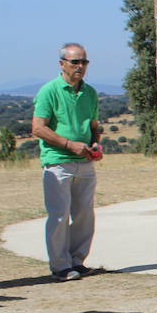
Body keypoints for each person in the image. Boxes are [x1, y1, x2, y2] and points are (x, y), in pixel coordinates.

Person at [31, 43, 102, 282]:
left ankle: (77, 260)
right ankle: (60, 265)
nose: (80, 67)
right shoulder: (49, 91)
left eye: (84, 62)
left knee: (84, 214)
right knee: (59, 215)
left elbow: (93, 126)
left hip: (84, 162)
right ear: (62, 64)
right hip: (58, 161)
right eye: (75, 62)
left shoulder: (90, 93)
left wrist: (95, 145)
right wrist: (68, 144)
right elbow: (38, 128)